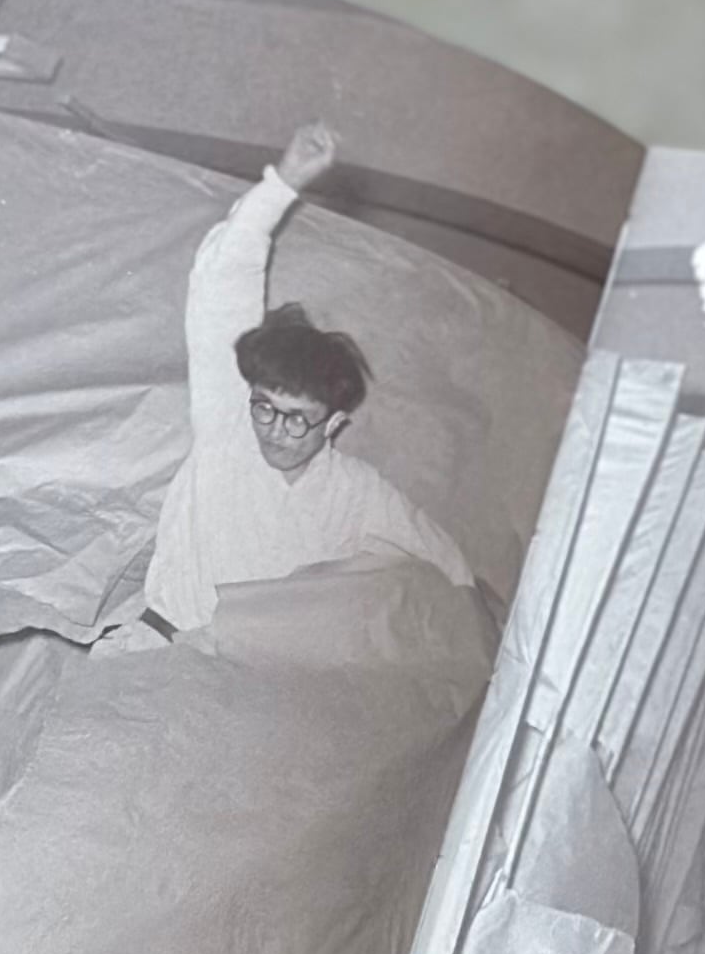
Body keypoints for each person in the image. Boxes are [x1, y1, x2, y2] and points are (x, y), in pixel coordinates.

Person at [138, 121, 475, 635]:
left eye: (297, 419)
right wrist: (285, 182)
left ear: (334, 423)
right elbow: (224, 285)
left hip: (260, 674)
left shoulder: (358, 493)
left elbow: (445, 560)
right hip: (158, 649)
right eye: (265, 408)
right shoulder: (229, 432)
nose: (274, 430)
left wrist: (481, 629)